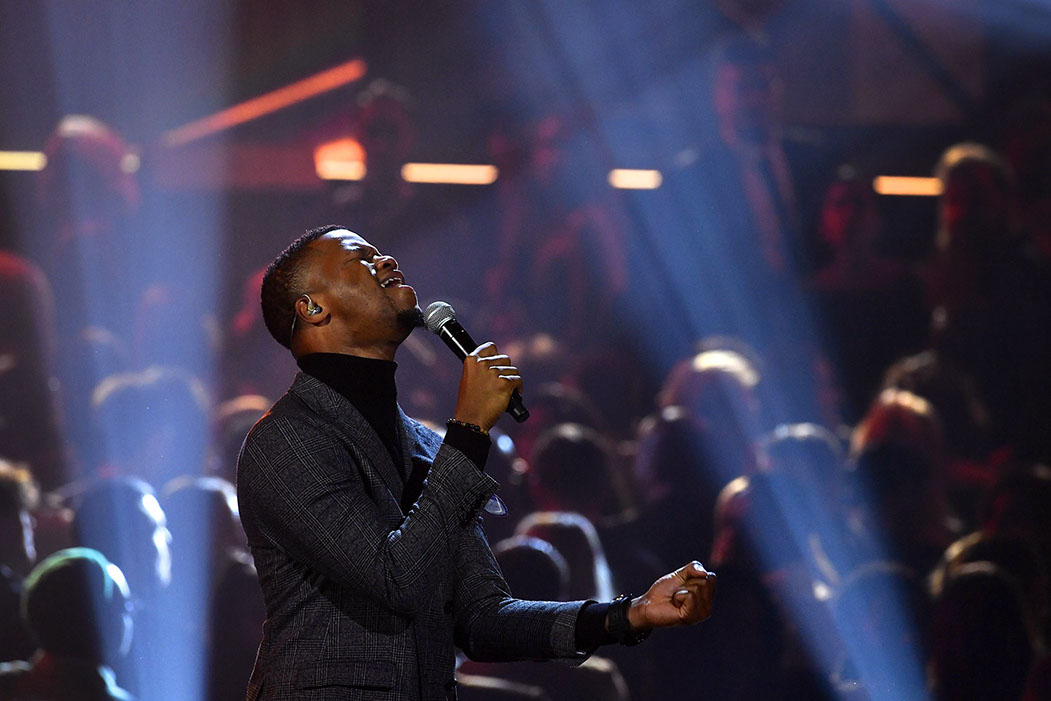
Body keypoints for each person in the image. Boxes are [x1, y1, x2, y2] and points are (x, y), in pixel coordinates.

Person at [237, 225, 718, 699]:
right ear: (312, 307)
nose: (385, 260)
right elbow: (396, 580)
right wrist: (469, 429)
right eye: (359, 258)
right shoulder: (286, 440)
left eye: (380, 251)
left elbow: (483, 619)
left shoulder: (426, 446)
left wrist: (628, 613)